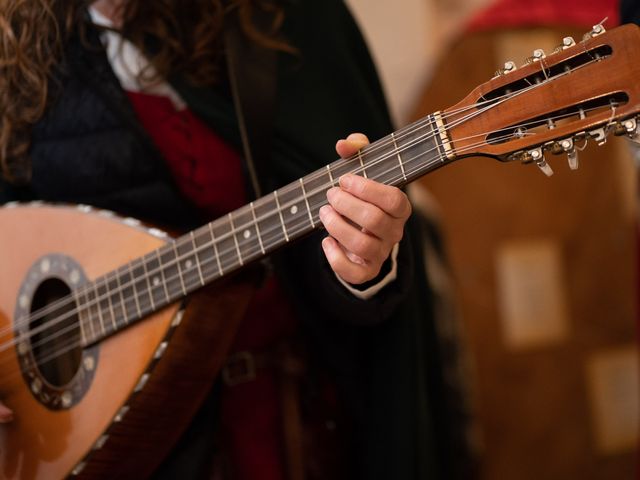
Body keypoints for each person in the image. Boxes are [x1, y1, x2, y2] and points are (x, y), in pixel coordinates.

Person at [0, 1, 466, 478]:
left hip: (288, 421)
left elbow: (332, 246)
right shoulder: (15, 55)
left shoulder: (289, 20)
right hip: (123, 452)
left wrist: (360, 259)